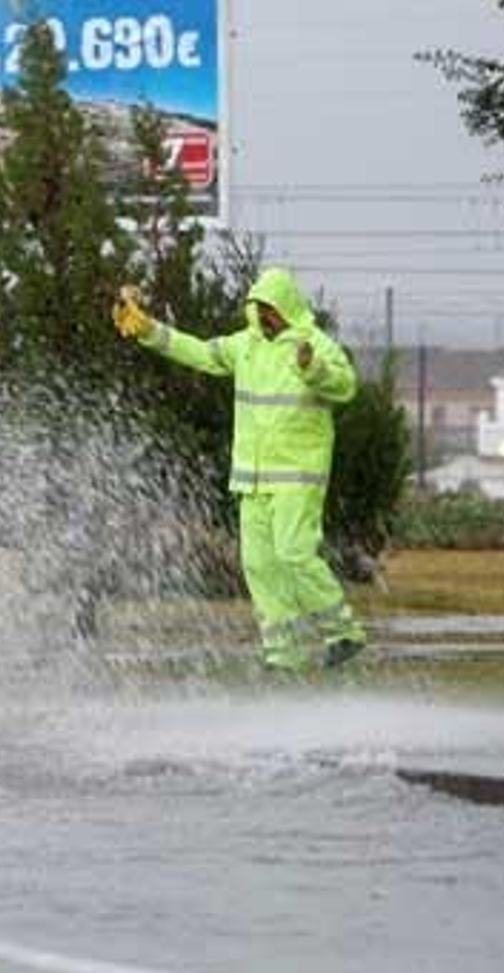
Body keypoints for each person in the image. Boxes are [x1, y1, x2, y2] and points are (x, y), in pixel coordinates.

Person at [112, 268, 367, 671]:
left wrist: (313, 369)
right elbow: (196, 351)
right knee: (259, 565)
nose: (262, 318)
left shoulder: (315, 345)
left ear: (285, 308)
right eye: (258, 310)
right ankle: (285, 655)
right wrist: (148, 330)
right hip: (251, 479)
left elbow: (346, 387)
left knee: (294, 554)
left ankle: (344, 633)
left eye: (268, 310)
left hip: (298, 477)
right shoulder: (244, 346)